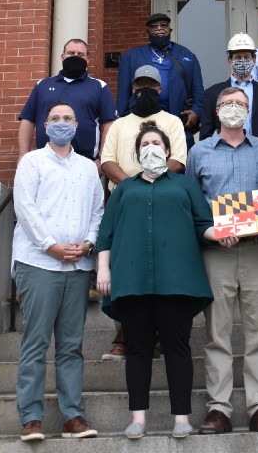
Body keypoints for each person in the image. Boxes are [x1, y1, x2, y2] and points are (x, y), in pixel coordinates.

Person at [96, 123, 227, 439]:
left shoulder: (184, 185)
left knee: (177, 348)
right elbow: (106, 232)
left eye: (156, 143)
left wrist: (221, 235)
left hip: (177, 279)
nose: (151, 148)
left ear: (168, 151)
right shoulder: (125, 189)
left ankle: (181, 417)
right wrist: (103, 269)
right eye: (145, 144)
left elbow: (203, 223)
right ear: (137, 152)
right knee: (137, 349)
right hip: (132, 279)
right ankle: (137, 419)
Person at [187, 87, 258, 435]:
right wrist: (213, 230)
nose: (233, 109)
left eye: (240, 104)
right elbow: (193, 203)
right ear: (216, 109)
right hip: (216, 252)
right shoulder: (199, 152)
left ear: (249, 110)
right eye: (227, 104)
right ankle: (219, 408)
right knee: (217, 333)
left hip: (257, 248)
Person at [11, 102, 103, 442]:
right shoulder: (32, 162)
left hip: (78, 266)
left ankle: (72, 416)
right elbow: (25, 208)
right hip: (39, 264)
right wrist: (50, 245)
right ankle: (31, 417)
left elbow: (97, 211)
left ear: (77, 125)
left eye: (67, 119)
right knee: (35, 341)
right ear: (44, 125)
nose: (62, 123)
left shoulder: (87, 168)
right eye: (55, 119)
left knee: (71, 344)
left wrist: (90, 243)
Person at [99, 64, 188, 361]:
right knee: (127, 267)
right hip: (125, 204)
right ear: (132, 90)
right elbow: (107, 161)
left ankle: (162, 335)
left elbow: (177, 160)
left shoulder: (172, 122)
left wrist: (152, 184)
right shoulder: (119, 124)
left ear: (160, 90)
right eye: (139, 87)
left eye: (150, 86)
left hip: (164, 202)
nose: (144, 91)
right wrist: (133, 187)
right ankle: (125, 334)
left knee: (162, 267)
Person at [18, 38, 117, 164]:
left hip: (85, 161)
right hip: (44, 161)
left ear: (87, 59)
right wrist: (23, 154)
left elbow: (109, 125)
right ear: (63, 56)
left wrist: (102, 159)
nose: (75, 57)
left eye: (80, 54)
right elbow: (28, 120)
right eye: (71, 53)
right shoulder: (42, 85)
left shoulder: (99, 86)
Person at [117, 13, 203, 146]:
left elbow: (198, 93)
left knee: (178, 163)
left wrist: (196, 112)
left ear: (170, 30)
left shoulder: (188, 56)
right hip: (141, 122)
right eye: (154, 26)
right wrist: (124, 121)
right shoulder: (130, 57)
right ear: (147, 31)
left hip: (178, 121)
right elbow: (123, 95)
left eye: (164, 25)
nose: (159, 28)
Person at [200, 33, 258, 141]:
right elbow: (206, 134)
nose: (243, 61)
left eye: (247, 57)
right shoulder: (212, 94)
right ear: (229, 60)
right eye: (238, 57)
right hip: (223, 154)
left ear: (254, 59)